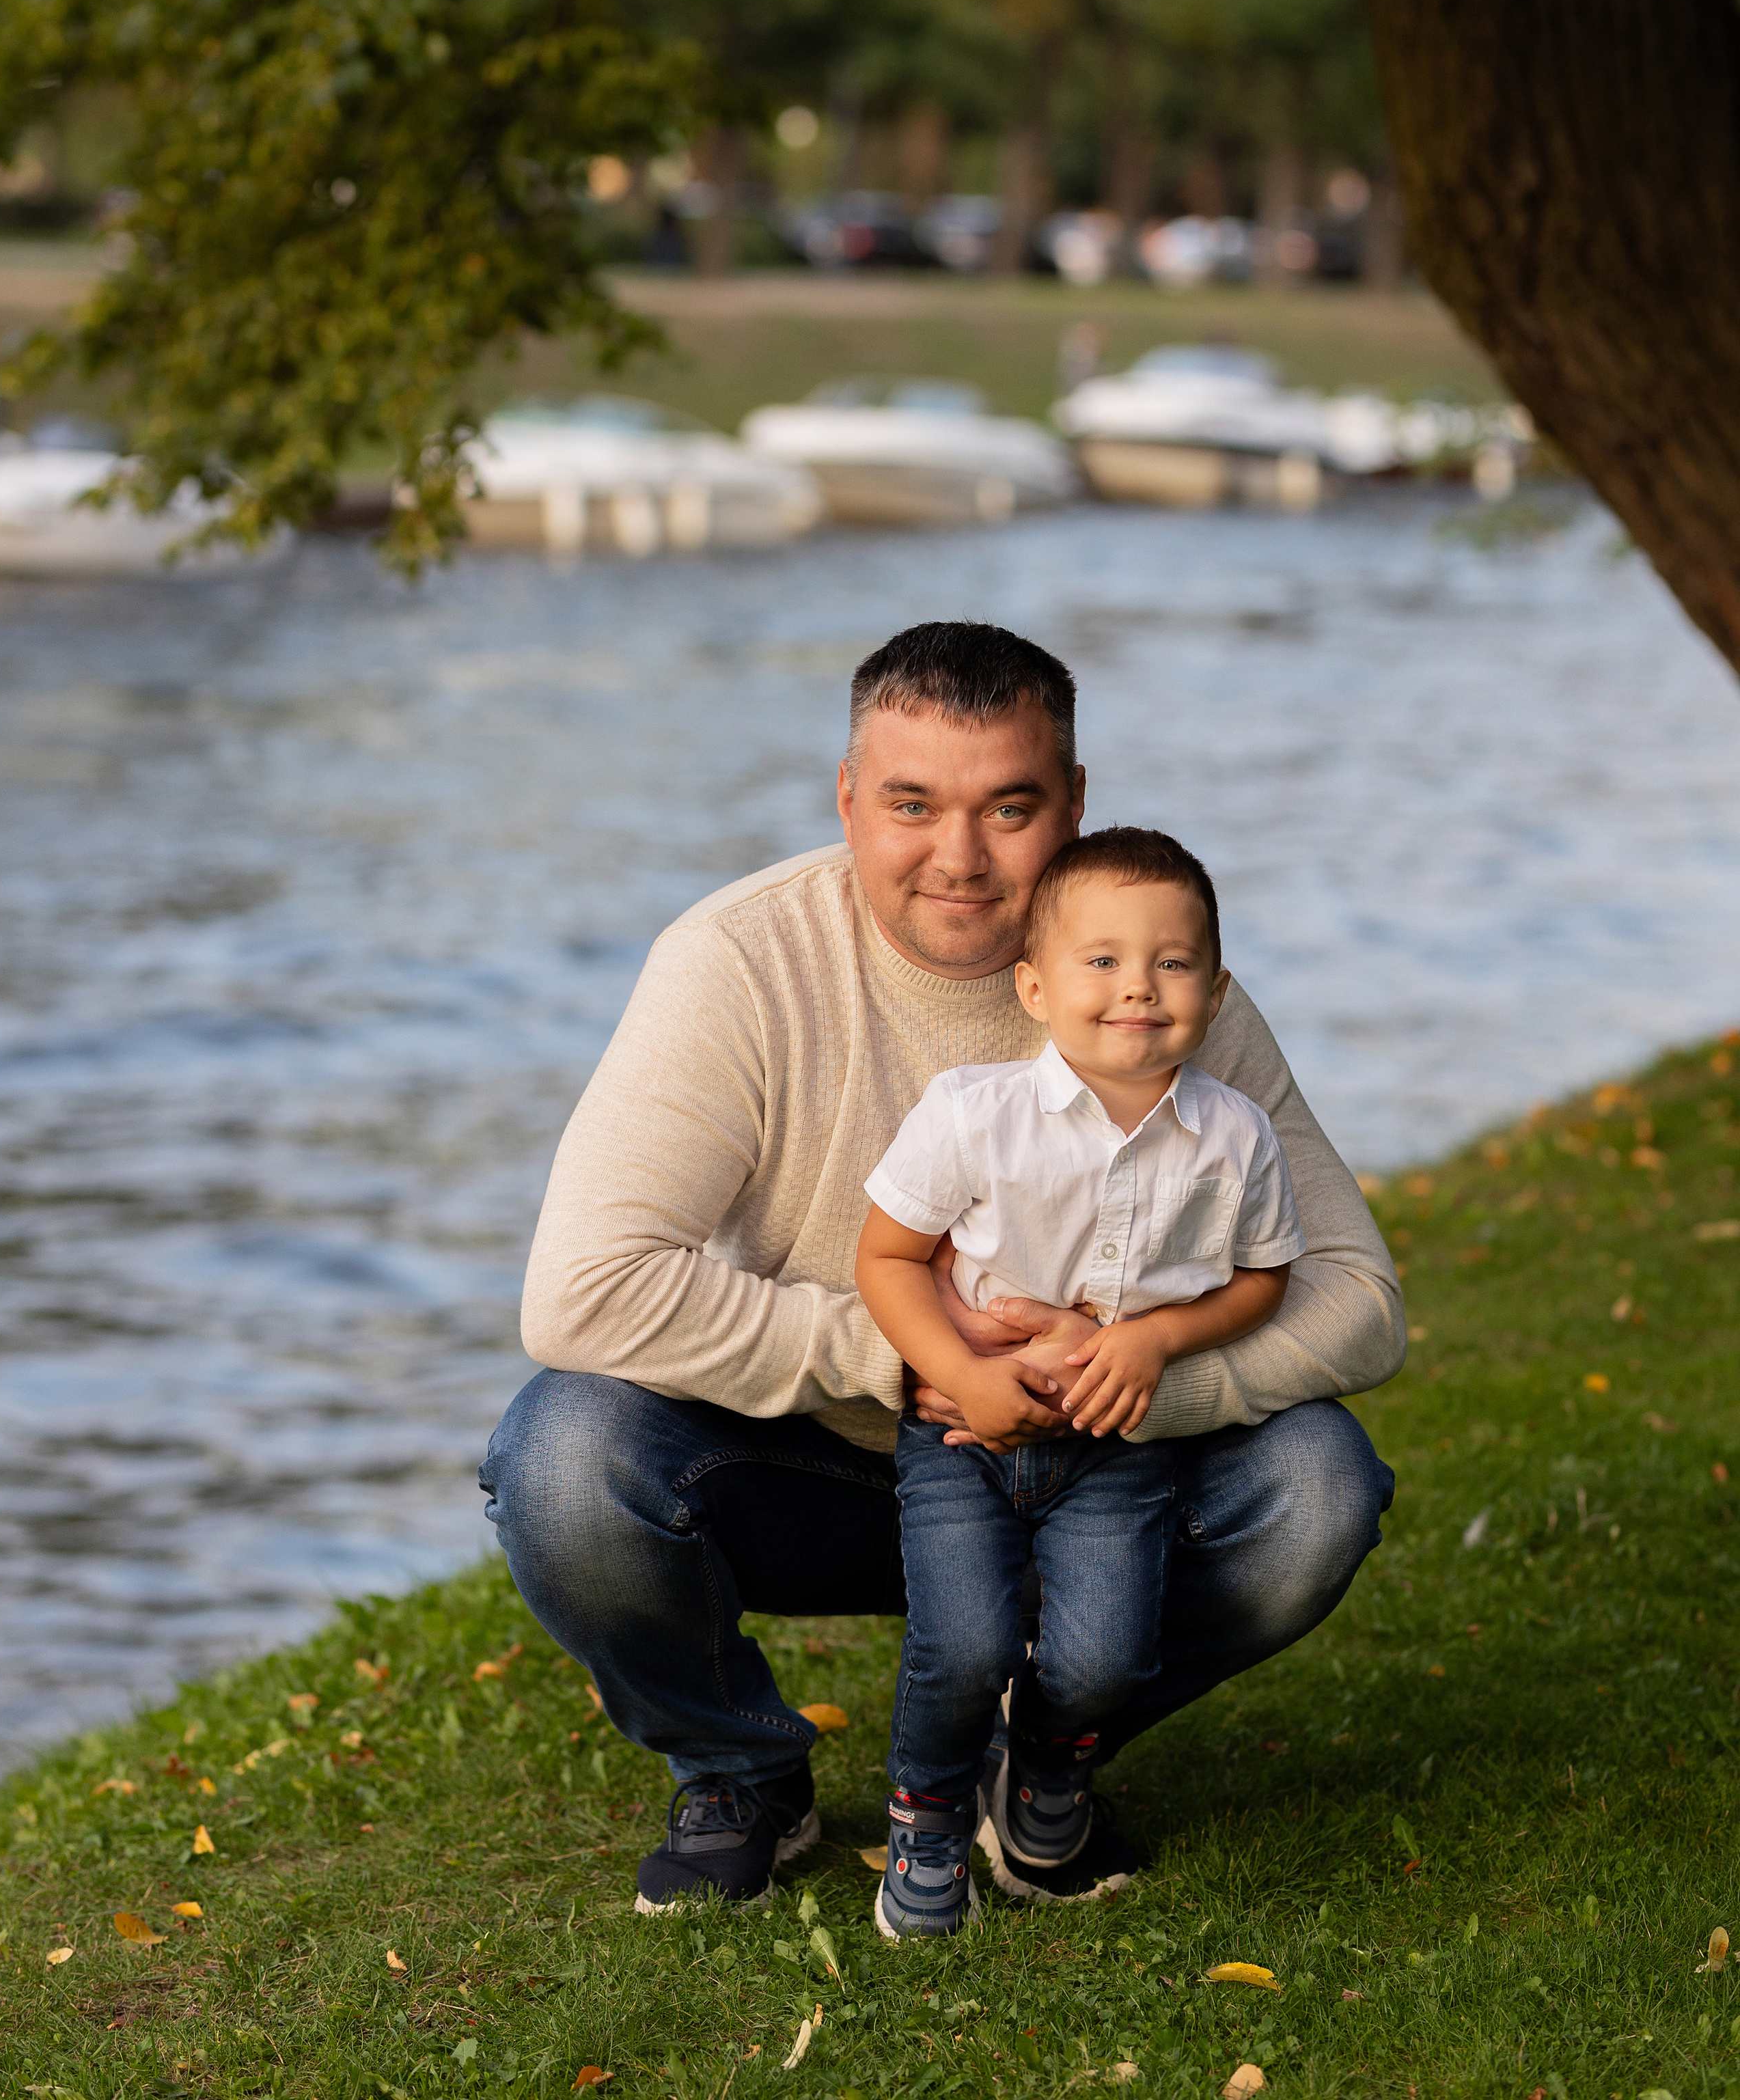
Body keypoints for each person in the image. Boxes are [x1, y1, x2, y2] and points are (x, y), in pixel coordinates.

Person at [480, 621, 1403, 1915]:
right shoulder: (738, 962)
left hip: (1087, 1472)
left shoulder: (1150, 983)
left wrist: (1106, 1378)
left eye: (1010, 808)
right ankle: (742, 1771)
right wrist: (927, 1357)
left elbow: (1361, 1304)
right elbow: (581, 1288)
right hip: (801, 1461)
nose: (959, 859)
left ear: (1076, 805)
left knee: (1316, 1488)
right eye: (911, 804)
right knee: (563, 1461)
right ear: (850, 798)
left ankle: (1040, 1752)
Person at [854, 826, 1303, 1938]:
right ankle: (926, 1818)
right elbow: (885, 1257)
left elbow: (1264, 1281)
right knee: (963, 1643)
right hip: (964, 1439)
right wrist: (961, 1371)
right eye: (1101, 962)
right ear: (1036, 985)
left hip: (1118, 1451)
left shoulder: (1235, 1136)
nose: (1136, 989)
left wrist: (1157, 1341)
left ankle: (1046, 1768)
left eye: (1172, 962)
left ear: (1217, 984)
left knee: (1107, 1655)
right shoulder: (973, 1111)